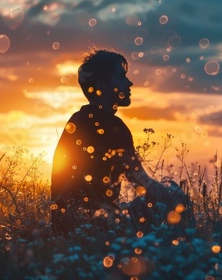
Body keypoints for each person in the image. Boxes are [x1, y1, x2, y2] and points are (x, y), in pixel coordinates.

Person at [51, 49, 191, 236]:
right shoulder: (113, 127)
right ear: (102, 86)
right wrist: (174, 194)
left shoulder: (78, 120)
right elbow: (142, 183)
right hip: (94, 227)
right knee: (173, 197)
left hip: (65, 228)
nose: (129, 83)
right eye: (121, 77)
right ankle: (187, 252)